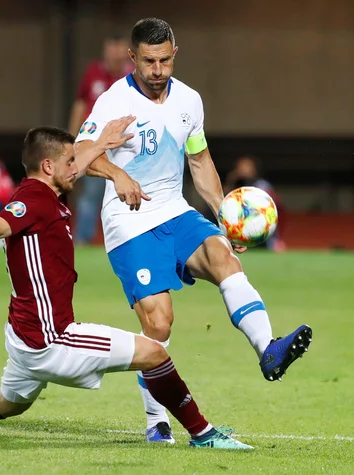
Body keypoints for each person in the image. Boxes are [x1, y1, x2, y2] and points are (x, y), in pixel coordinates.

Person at [0, 118, 253, 450]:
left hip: (24, 338)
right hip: (51, 338)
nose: (78, 168)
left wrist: (103, 144)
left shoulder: (50, 191)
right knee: (154, 352)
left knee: (3, 405)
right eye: (70, 162)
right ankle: (204, 434)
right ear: (47, 166)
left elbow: (78, 161)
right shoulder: (33, 200)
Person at [75, 18, 312, 444]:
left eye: (165, 59)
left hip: (174, 210)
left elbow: (199, 162)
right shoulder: (113, 100)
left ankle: (268, 350)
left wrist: (224, 215)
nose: (158, 69)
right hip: (129, 223)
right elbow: (80, 153)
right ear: (133, 58)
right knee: (160, 325)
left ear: (175, 53)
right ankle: (155, 420)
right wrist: (116, 174)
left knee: (224, 254)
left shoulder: (189, 100)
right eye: (149, 61)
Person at [68, 36, 133, 245]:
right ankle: (82, 240)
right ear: (106, 50)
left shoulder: (133, 75)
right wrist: (72, 138)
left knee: (126, 190)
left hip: (125, 144)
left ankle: (127, 239)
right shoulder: (93, 72)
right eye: (112, 48)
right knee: (90, 194)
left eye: (119, 48)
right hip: (94, 143)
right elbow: (80, 104)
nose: (115, 53)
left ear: (126, 51)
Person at [224, 156, 286, 252]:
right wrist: (231, 181)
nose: (244, 170)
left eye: (247, 167)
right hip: (237, 227)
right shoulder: (233, 187)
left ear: (253, 170)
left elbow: (274, 206)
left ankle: (273, 241)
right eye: (241, 167)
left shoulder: (262, 185)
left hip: (259, 224)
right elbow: (223, 203)